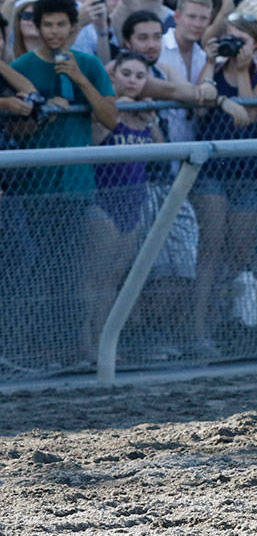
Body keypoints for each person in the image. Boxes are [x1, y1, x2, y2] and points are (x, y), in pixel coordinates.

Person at [10, 0, 117, 366]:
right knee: (38, 270)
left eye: (61, 25)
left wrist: (79, 82)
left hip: (76, 186)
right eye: (47, 25)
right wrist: (39, 117)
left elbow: (110, 117)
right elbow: (14, 132)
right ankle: (40, 348)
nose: (54, 32)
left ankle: (70, 347)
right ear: (37, 28)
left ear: (73, 28)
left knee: (71, 269)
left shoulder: (88, 64)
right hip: (32, 188)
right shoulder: (21, 67)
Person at [189, 12, 257, 355]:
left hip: (248, 174)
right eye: (230, 36)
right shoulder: (213, 67)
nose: (234, 43)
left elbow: (250, 116)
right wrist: (212, 63)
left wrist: (242, 71)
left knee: (241, 253)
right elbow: (198, 108)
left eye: (241, 39)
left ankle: (241, 326)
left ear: (256, 43)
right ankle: (200, 331)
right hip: (211, 170)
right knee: (209, 249)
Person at [80, 50, 165, 362]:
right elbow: (92, 139)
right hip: (103, 203)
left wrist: (152, 119)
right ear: (113, 76)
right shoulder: (106, 110)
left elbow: (163, 155)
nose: (132, 81)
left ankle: (106, 342)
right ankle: (86, 343)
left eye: (140, 76)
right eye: (126, 74)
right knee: (95, 277)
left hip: (133, 204)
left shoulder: (143, 114)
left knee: (115, 277)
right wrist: (117, 110)